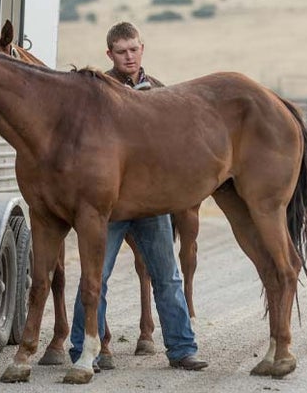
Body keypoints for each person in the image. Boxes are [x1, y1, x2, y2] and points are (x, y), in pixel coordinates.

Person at [68, 22, 208, 372]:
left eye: (133, 49)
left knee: (168, 276)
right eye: (121, 51)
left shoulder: (159, 92)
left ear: (142, 48)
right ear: (109, 54)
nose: (128, 56)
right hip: (110, 205)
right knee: (95, 277)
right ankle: (85, 349)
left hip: (151, 203)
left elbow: (175, 145)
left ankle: (181, 349)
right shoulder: (97, 91)